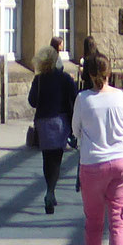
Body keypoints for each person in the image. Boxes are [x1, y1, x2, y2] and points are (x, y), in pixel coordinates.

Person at [70, 50, 123, 245]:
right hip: (121, 163)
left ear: (89, 74)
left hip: (93, 164)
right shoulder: (121, 96)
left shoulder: (83, 99)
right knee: (119, 223)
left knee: (94, 223)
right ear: (110, 72)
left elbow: (75, 130)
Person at [28, 41, 78, 214]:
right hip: (59, 121)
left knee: (46, 158)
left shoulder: (39, 79)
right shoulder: (64, 78)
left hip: (42, 122)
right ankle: (50, 192)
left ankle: (50, 190)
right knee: (56, 158)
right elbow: (75, 96)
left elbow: (32, 101)